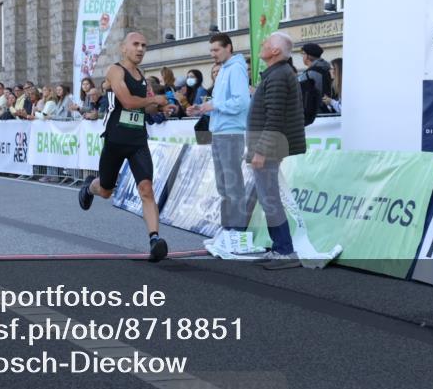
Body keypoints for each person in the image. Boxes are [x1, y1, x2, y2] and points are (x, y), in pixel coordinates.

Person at [78, 32, 175, 261]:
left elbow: (145, 108)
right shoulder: (115, 71)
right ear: (124, 48)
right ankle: (89, 187)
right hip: (115, 140)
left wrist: (162, 108)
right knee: (105, 191)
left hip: (138, 141)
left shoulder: (143, 78)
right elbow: (129, 102)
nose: (140, 49)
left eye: (144, 45)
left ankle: (154, 240)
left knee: (146, 189)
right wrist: (155, 100)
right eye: (136, 44)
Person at [245, 32, 306, 269]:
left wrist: (261, 151)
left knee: (269, 199)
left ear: (275, 51)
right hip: (269, 146)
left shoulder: (279, 75)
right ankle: (281, 248)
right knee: (268, 198)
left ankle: (285, 251)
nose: (262, 44)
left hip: (269, 148)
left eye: (267, 43)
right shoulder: (277, 74)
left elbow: (274, 118)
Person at [188, 33, 250, 249]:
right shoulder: (224, 69)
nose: (212, 54)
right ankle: (228, 230)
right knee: (224, 186)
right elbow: (222, 101)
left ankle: (237, 233)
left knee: (233, 186)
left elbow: (241, 102)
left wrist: (213, 106)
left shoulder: (236, 69)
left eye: (216, 50)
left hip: (231, 133)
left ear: (228, 47)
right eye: (211, 50)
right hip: (220, 132)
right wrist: (202, 108)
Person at [300, 43, 334, 112]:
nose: (302, 56)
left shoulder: (309, 74)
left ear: (307, 56)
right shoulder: (328, 69)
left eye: (303, 54)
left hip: (316, 113)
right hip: (330, 110)